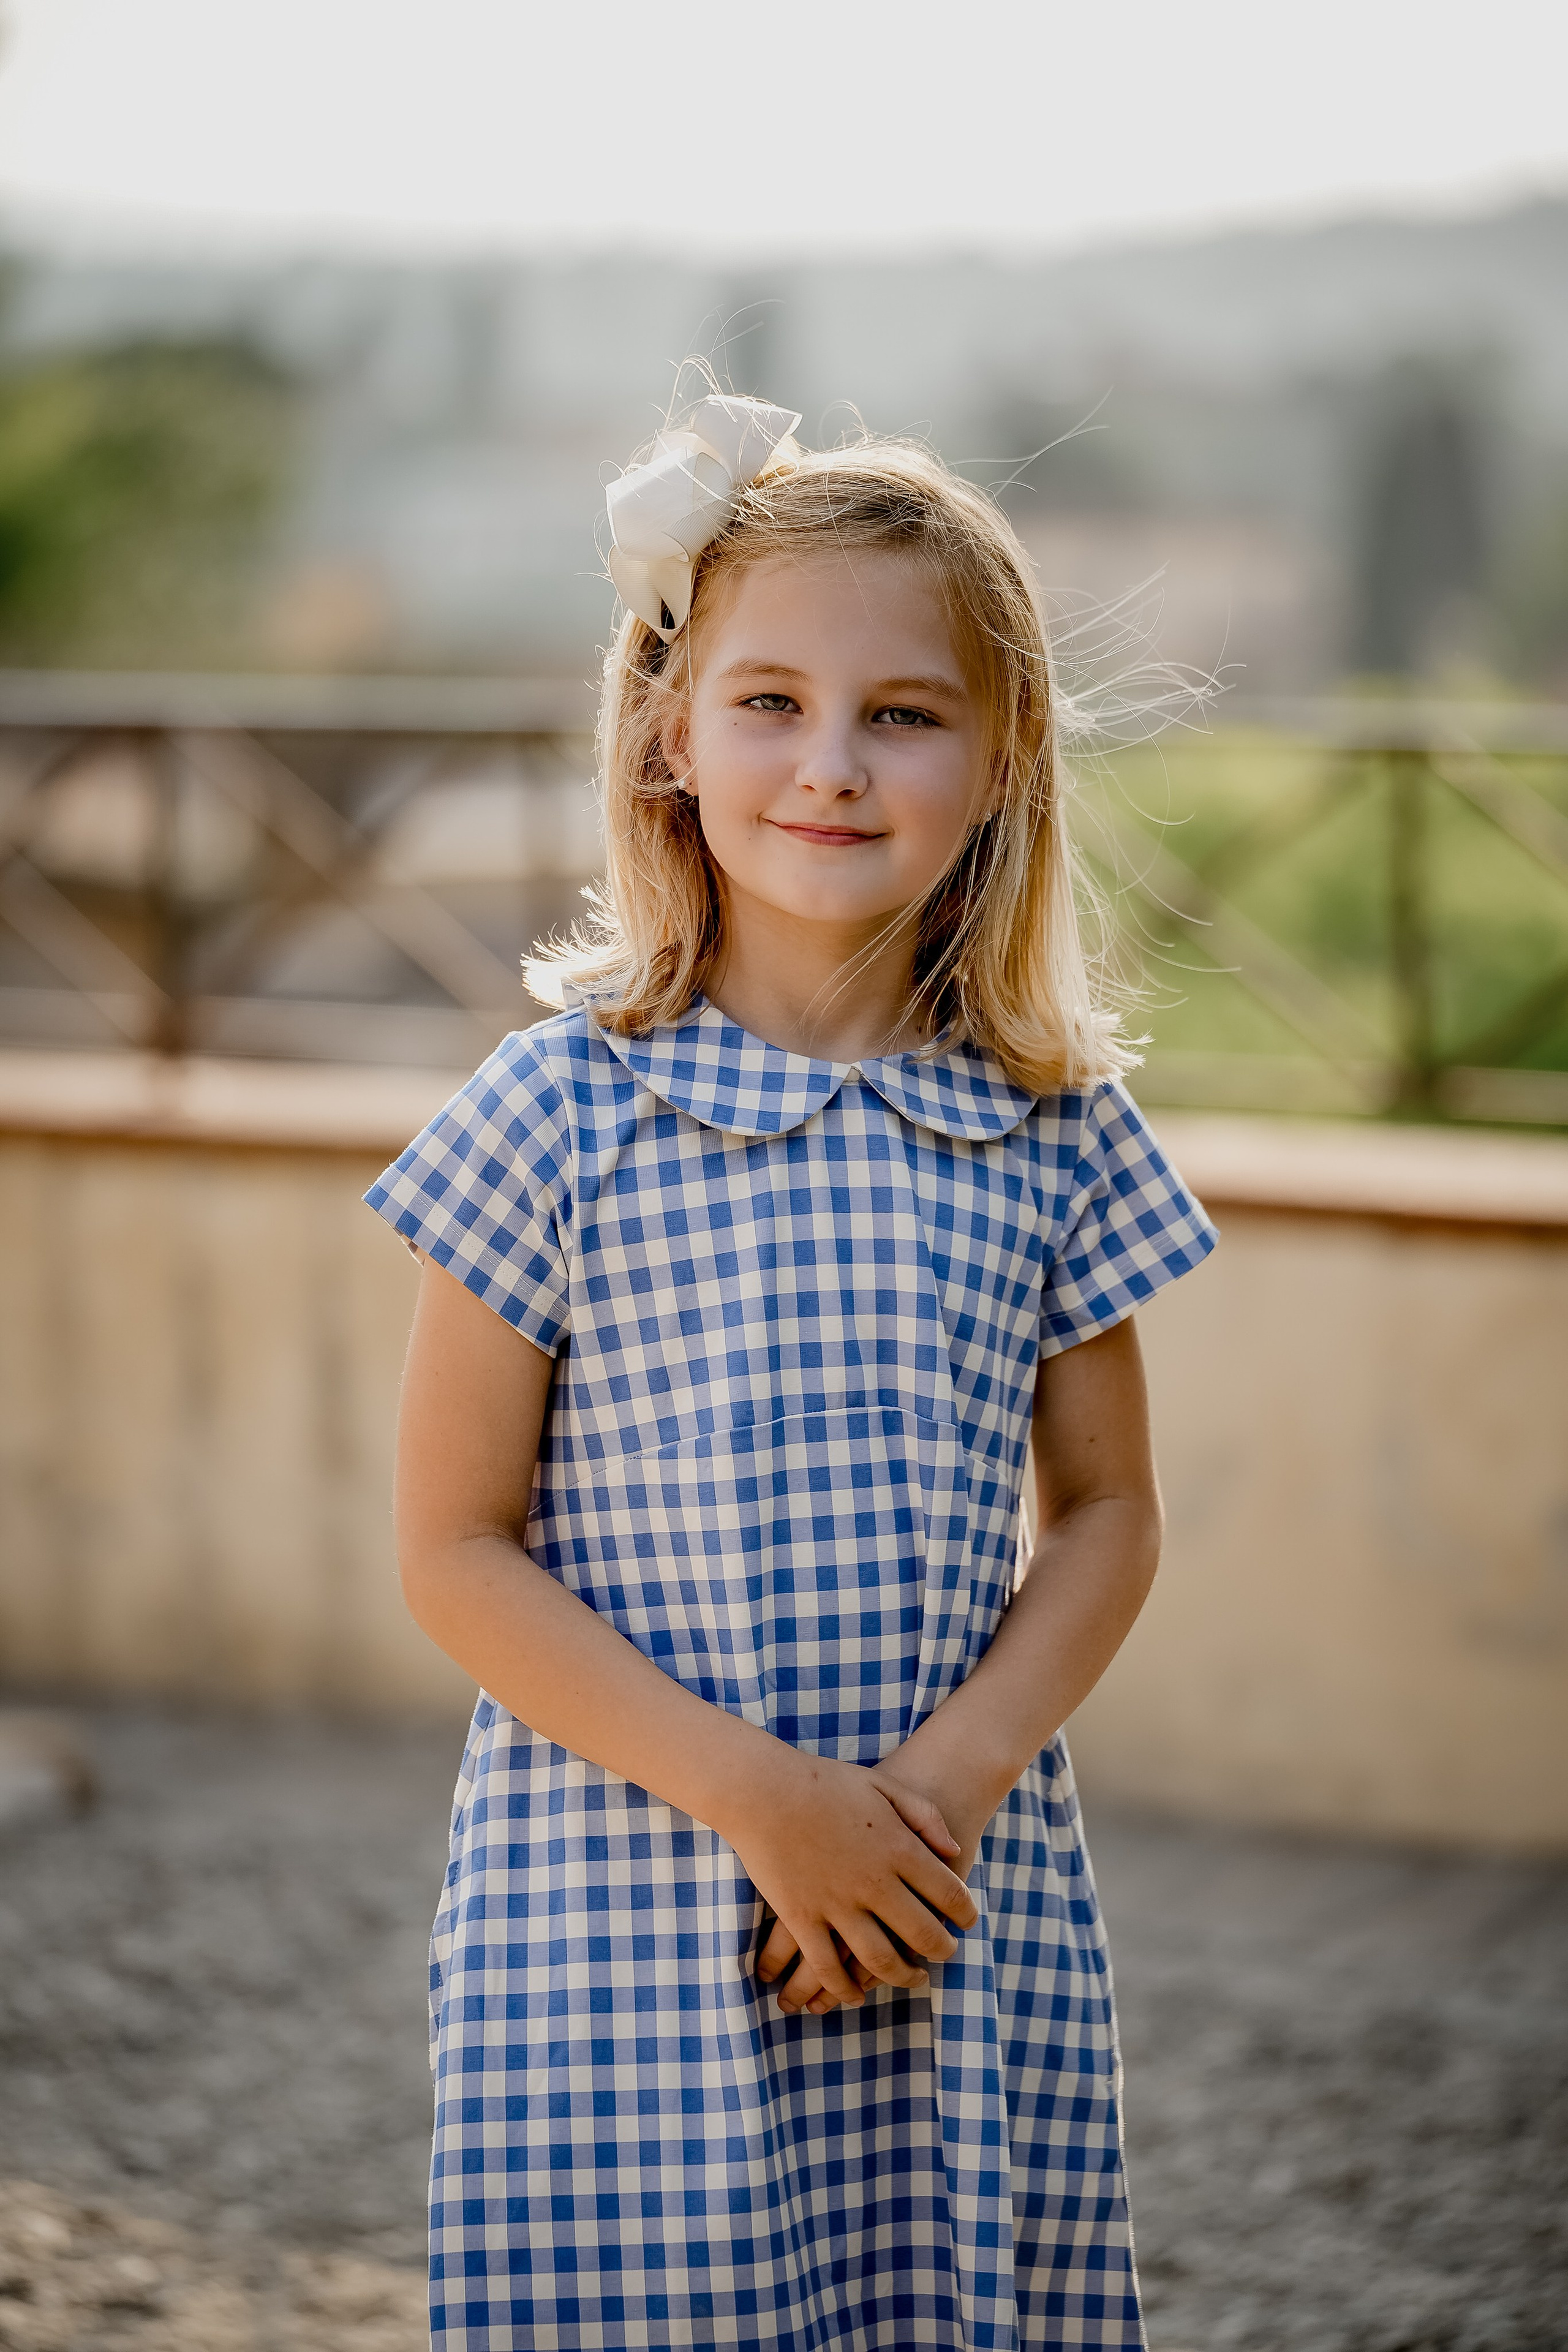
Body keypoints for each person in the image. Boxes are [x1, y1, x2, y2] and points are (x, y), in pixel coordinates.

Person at [366, 392, 1218, 2352]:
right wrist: (766, 1805)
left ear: (1004, 761)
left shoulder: (1048, 1123)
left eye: (906, 713)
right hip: (624, 1916)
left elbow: (1108, 1511)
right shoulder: (558, 1112)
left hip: (943, 1900)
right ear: (668, 733)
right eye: (770, 701)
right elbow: (451, 1547)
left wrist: (931, 1797)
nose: (833, 765)